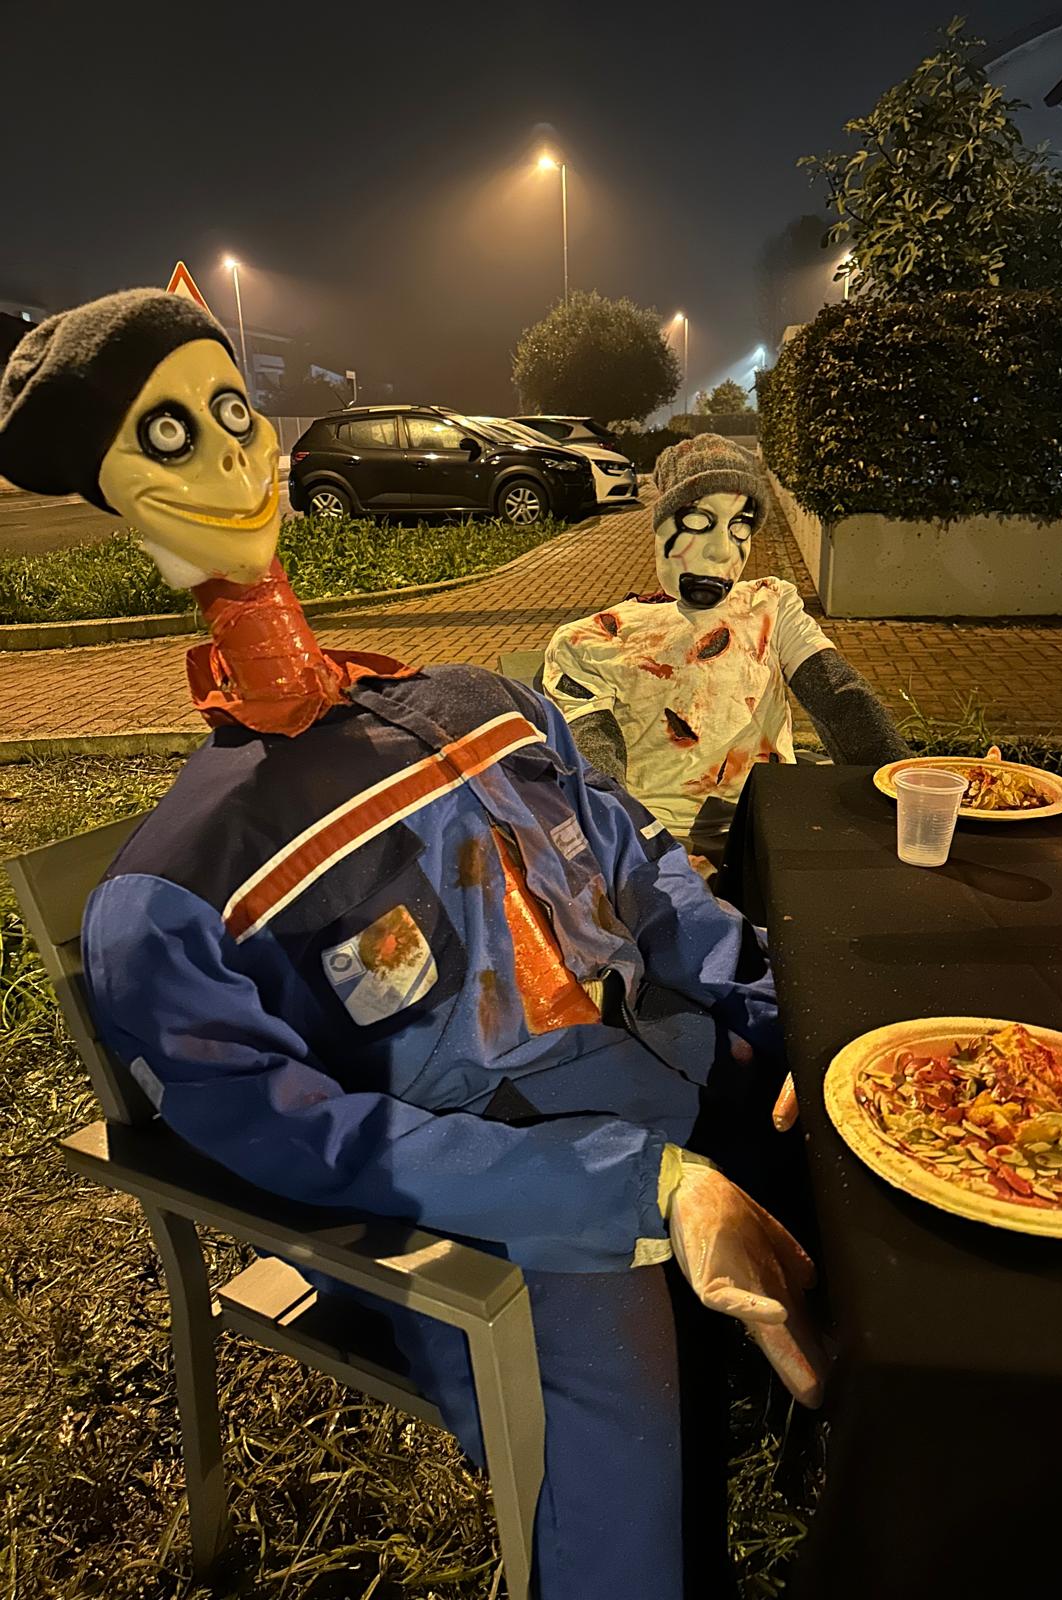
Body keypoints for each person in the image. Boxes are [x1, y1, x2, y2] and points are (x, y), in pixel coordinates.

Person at [0, 291, 825, 1600]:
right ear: (109, 489)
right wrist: (646, 1189)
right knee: (621, 1406)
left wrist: (778, 1009)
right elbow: (306, 1140)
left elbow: (644, 867)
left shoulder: (482, 701)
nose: (229, 453)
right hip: (507, 1206)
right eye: (167, 433)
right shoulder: (171, 896)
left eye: (232, 409)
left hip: (679, 1065)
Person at [542, 434, 909, 869]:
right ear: (661, 527)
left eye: (740, 527)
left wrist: (910, 790)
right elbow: (595, 768)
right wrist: (632, 861)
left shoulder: (770, 605)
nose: (722, 549)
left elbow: (839, 697)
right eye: (699, 521)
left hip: (771, 832)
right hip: (660, 846)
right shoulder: (588, 642)